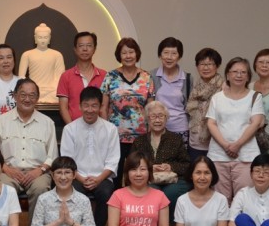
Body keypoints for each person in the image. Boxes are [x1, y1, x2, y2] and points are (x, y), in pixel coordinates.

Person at [0, 78, 58, 223]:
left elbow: (52, 156)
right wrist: (6, 169)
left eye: (32, 95)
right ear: (14, 96)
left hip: (38, 172)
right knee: (3, 188)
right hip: (8, 172)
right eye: (23, 95)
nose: (27, 99)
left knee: (40, 189)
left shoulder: (47, 123)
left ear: (37, 98)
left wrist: (39, 170)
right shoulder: (1, 121)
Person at [60, 87, 119, 226]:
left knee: (106, 193)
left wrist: (98, 179)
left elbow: (113, 161)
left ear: (100, 107)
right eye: (86, 105)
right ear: (80, 106)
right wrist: (80, 178)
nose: (90, 110)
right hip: (77, 177)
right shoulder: (70, 129)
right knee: (74, 192)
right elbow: (67, 161)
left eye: (94, 106)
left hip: (102, 177)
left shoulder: (110, 129)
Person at [206, 57, 265, 204]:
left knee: (244, 199)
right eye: (235, 72)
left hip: (246, 155)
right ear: (227, 75)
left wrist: (237, 144)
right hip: (218, 155)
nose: (239, 75)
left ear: (248, 76)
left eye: (243, 72)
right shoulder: (217, 98)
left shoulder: (255, 97)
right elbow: (211, 123)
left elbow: (256, 123)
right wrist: (226, 146)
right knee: (220, 200)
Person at [101, 37, 155, 189]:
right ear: (119, 55)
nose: (128, 56)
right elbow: (103, 107)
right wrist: (106, 131)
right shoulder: (110, 76)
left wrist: (150, 133)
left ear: (137, 54)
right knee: (115, 175)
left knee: (138, 175)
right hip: (115, 136)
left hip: (141, 136)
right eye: (124, 53)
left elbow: (150, 107)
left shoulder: (146, 77)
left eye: (131, 52)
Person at [131, 101, 190, 224]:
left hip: (174, 179)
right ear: (147, 119)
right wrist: (150, 167)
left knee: (170, 192)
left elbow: (186, 164)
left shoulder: (176, 139)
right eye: (153, 116)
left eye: (161, 116)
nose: (157, 120)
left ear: (166, 118)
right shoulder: (139, 141)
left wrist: (171, 166)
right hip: (149, 178)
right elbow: (132, 164)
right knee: (152, 190)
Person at [56, 31, 107, 124]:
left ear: (94, 49)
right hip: (74, 129)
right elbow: (63, 108)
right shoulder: (66, 76)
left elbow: (105, 106)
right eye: (81, 46)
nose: (85, 49)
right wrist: (72, 130)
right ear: (75, 49)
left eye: (89, 45)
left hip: (99, 129)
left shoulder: (104, 75)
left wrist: (103, 130)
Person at [150, 37, 192, 144]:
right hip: (158, 129)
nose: (169, 57)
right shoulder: (152, 76)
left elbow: (190, 106)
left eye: (174, 53)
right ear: (160, 55)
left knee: (180, 160)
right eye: (166, 53)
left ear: (179, 56)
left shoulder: (187, 78)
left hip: (181, 128)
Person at [186, 47, 225, 161]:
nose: (206, 68)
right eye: (202, 64)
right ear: (197, 66)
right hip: (194, 141)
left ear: (217, 66)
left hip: (216, 142)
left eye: (210, 64)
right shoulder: (195, 86)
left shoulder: (224, 87)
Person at [18, 23, 65, 103]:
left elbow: (60, 78)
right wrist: (29, 89)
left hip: (50, 91)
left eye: (45, 37)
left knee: (58, 95)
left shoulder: (57, 55)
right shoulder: (27, 54)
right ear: (35, 38)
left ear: (49, 38)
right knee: (27, 94)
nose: (43, 40)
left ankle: (40, 98)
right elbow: (21, 77)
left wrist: (50, 89)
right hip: (32, 90)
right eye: (40, 37)